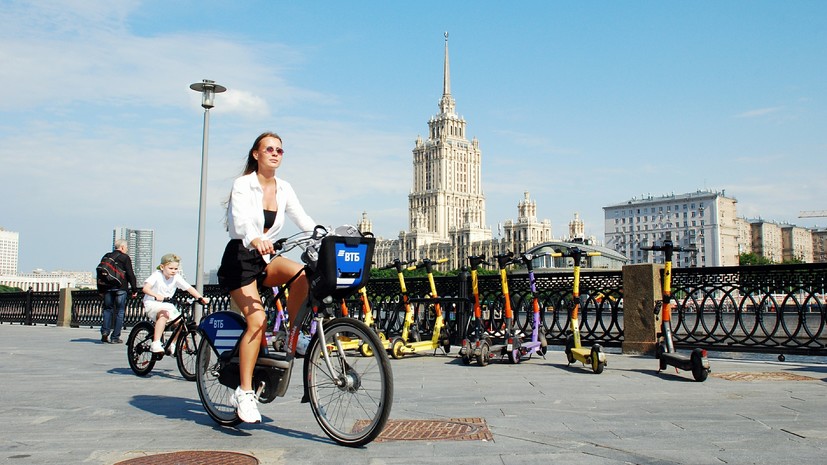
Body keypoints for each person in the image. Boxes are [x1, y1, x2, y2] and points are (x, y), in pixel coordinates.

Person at [217, 132, 316, 424]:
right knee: (257, 322)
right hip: (241, 258)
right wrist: (255, 238)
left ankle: (291, 335)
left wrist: (324, 234)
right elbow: (242, 219)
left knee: (301, 274)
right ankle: (244, 392)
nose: (275, 153)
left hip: (265, 258)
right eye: (269, 149)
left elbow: (303, 218)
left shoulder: (284, 188)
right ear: (256, 154)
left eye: (280, 150)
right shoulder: (243, 185)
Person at [141, 253, 209, 354]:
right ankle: (155, 343)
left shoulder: (176, 277)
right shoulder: (156, 275)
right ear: (162, 267)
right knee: (164, 315)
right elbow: (145, 288)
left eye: (175, 269)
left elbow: (188, 288)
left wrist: (200, 297)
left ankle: (172, 344)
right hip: (152, 303)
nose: (173, 271)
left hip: (167, 304)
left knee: (181, 323)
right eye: (170, 268)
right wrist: (156, 295)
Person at [99, 239, 138, 344]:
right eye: (126, 247)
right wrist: (134, 289)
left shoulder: (107, 256)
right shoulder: (125, 257)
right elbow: (130, 274)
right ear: (122, 247)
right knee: (120, 312)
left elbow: (101, 272)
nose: (127, 249)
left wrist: (100, 289)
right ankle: (115, 337)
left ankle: (105, 332)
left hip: (107, 288)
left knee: (107, 310)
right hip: (121, 287)